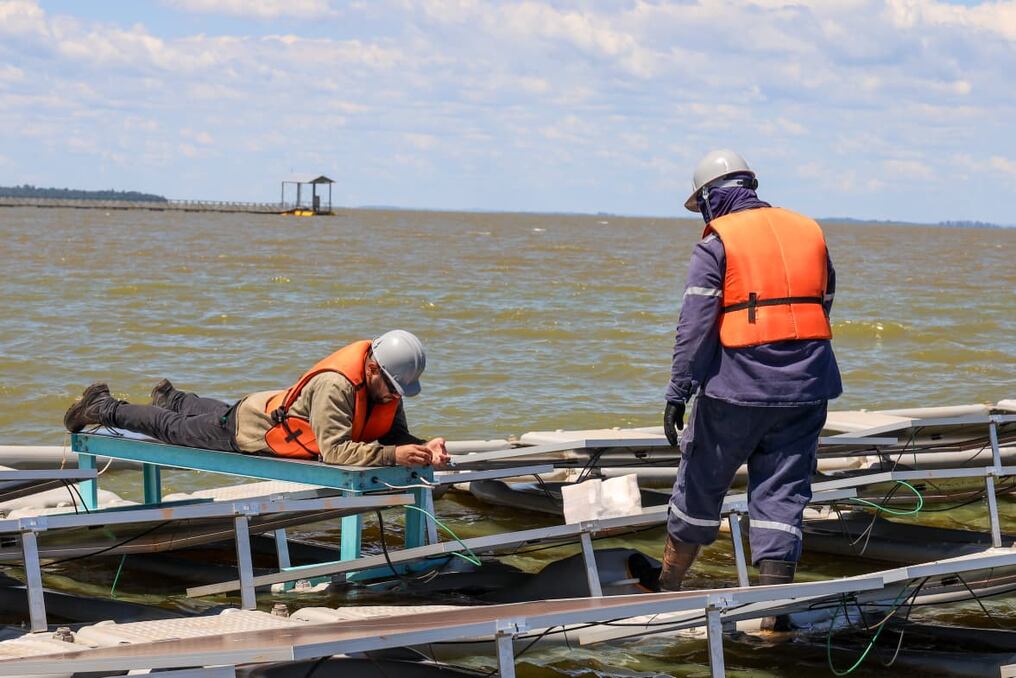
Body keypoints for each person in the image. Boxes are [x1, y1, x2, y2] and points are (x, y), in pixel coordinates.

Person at [659, 150, 842, 627]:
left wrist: (678, 392)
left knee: (699, 484)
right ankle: (772, 619)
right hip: (807, 387)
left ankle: (664, 593)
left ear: (707, 200)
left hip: (734, 390)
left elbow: (694, 327)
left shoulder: (718, 241)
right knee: (783, 496)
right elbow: (823, 302)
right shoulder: (809, 230)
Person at [63, 329, 450, 468]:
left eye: (399, 392)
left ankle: (172, 397)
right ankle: (101, 405)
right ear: (371, 368)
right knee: (173, 430)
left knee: (218, 414)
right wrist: (392, 457)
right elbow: (335, 453)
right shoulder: (337, 386)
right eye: (391, 388)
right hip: (252, 430)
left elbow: (394, 440)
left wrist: (422, 447)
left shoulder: (388, 385)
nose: (393, 397)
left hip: (265, 409)